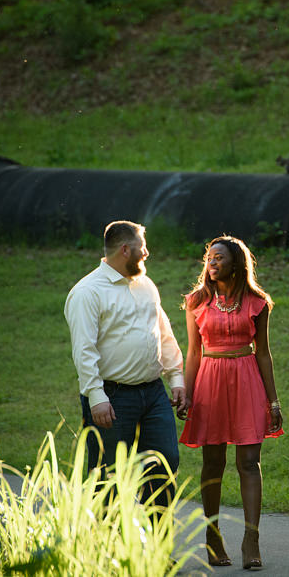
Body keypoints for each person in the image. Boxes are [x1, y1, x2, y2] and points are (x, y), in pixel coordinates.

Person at [64, 220, 186, 515]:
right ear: (125, 249)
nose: (147, 254)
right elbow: (84, 350)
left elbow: (163, 331)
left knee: (164, 463)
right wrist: (97, 397)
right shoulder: (87, 292)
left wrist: (177, 378)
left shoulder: (145, 284)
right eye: (143, 249)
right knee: (108, 477)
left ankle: (156, 551)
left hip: (154, 394)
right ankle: (108, 553)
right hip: (112, 397)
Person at [177, 235, 283, 569]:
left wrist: (274, 402)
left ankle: (251, 539)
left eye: (219, 257)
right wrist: (187, 393)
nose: (212, 262)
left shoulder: (257, 302)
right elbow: (193, 352)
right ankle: (212, 535)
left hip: (247, 379)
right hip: (210, 381)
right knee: (212, 463)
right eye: (209, 257)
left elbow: (264, 354)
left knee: (249, 462)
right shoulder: (196, 301)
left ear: (236, 263)